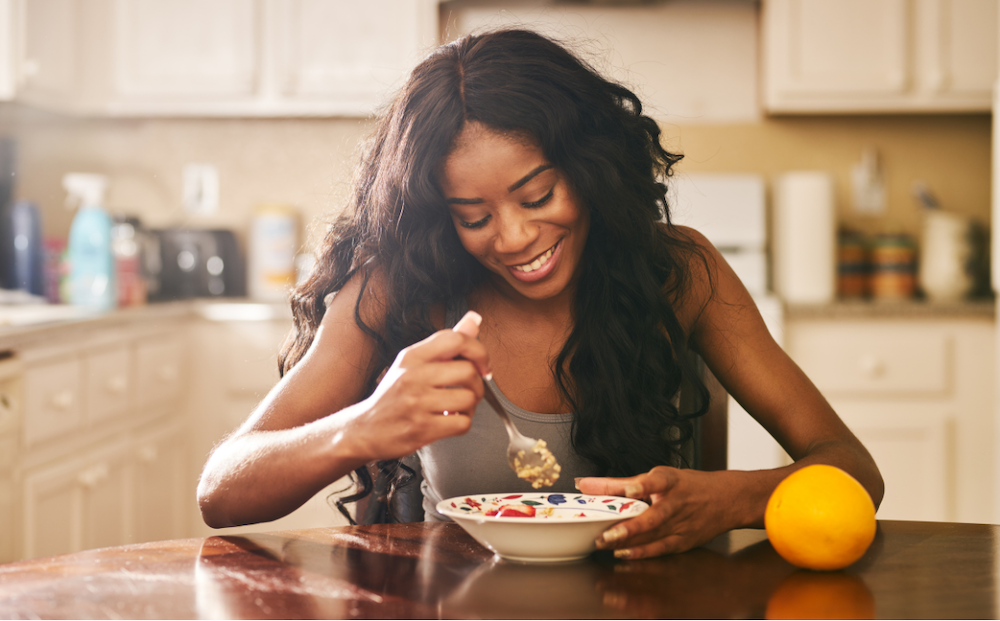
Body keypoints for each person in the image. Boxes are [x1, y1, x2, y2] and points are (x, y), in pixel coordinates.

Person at [197, 28, 883, 559]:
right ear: (442, 215)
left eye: (538, 195)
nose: (516, 236)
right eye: (475, 216)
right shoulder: (397, 292)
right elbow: (220, 489)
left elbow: (853, 469)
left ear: (591, 169)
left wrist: (734, 499)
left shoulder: (681, 273)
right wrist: (362, 425)